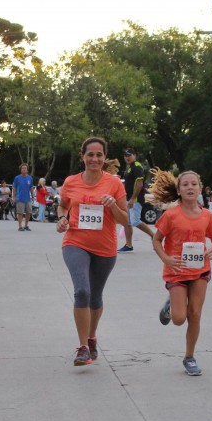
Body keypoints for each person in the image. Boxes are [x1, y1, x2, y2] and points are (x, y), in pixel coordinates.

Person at [56, 137, 128, 366]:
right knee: (82, 292)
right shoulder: (71, 182)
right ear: (83, 156)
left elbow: (125, 220)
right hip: (75, 242)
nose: (94, 159)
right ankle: (83, 347)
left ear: (105, 158)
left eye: (99, 155)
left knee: (95, 297)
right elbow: (63, 205)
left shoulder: (114, 184)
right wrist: (61, 218)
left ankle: (92, 336)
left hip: (105, 248)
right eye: (90, 154)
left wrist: (113, 206)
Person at [150, 169, 212, 376]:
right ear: (179, 190)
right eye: (185, 185)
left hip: (200, 270)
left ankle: (189, 357)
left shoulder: (207, 215)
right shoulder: (171, 215)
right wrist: (166, 258)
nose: (190, 187)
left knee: (195, 314)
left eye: (194, 184)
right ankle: (170, 306)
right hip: (177, 272)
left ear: (200, 188)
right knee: (179, 318)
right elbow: (156, 240)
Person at [119, 147, 155, 252]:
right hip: (129, 198)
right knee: (127, 222)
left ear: (135, 155)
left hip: (135, 199)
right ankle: (128, 245)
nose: (127, 157)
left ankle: (153, 235)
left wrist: (133, 198)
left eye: (129, 155)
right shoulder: (129, 167)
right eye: (125, 155)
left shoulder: (137, 167)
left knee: (135, 221)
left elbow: (139, 184)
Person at [12, 164, 34, 231]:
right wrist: (14, 197)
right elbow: (14, 188)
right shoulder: (17, 178)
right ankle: (20, 226)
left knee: (28, 212)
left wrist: (33, 196)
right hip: (19, 198)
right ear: (20, 170)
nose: (24, 169)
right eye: (22, 168)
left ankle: (26, 225)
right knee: (20, 213)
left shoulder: (30, 178)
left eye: (25, 168)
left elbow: (31, 188)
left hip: (28, 198)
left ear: (27, 170)